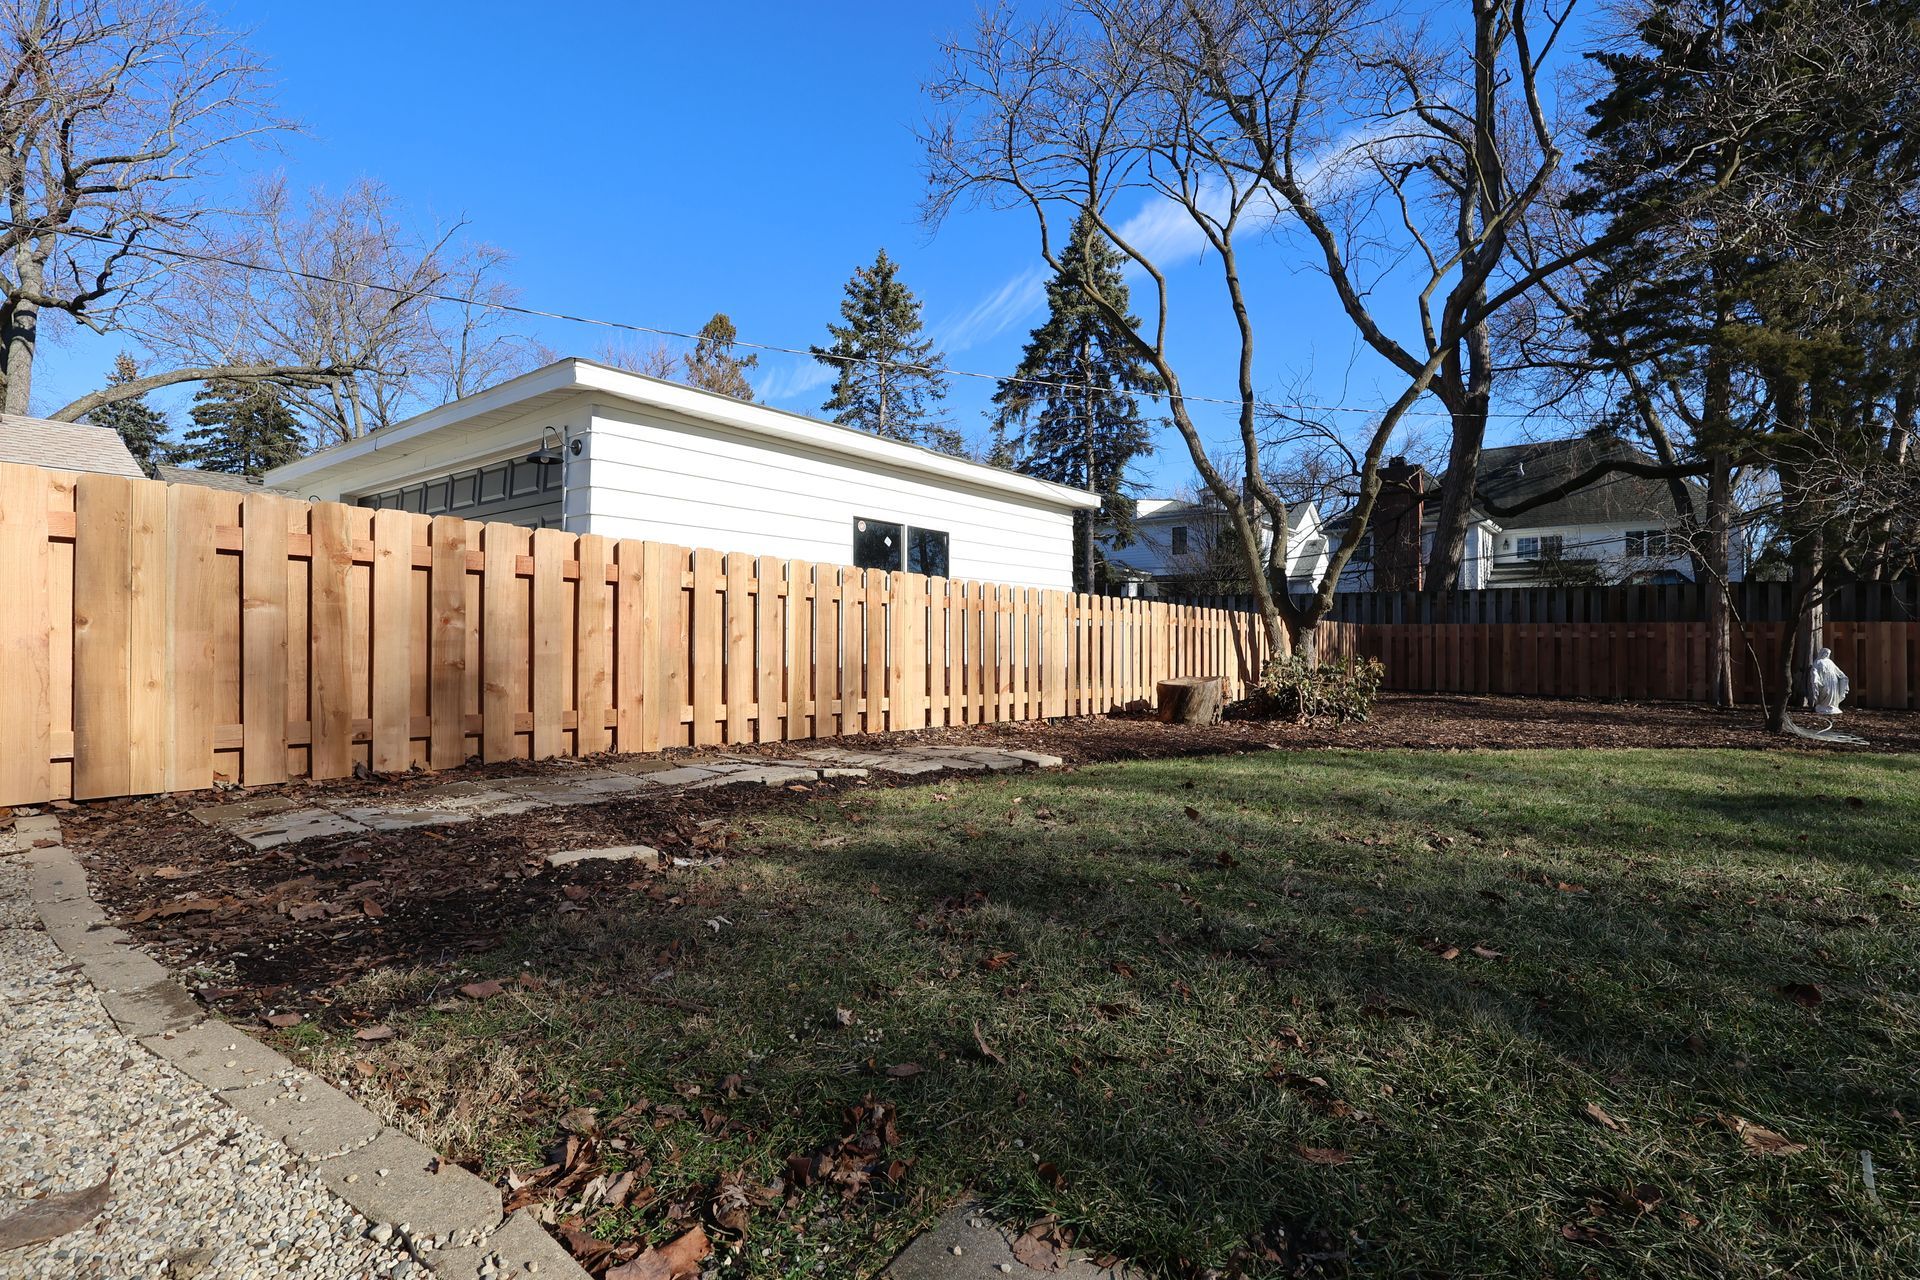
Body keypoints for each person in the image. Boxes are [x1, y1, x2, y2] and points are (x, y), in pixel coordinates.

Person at [1810, 646, 1850, 716]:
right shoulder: (1818, 661)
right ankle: (1823, 705)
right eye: (1825, 653)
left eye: (1828, 653)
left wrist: (1842, 676)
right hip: (1824, 679)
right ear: (1822, 653)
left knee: (1833, 693)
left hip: (1833, 679)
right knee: (1826, 691)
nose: (1826, 655)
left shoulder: (1830, 661)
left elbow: (1837, 670)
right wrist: (1815, 675)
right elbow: (1814, 670)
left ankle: (1832, 705)